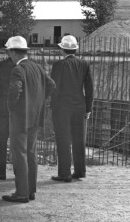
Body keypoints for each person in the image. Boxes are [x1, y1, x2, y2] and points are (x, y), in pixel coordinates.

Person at [2, 36, 55, 203]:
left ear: (12, 52)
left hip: (20, 119)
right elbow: (51, 85)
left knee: (20, 155)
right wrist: (38, 102)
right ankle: (31, 191)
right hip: (34, 118)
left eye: (9, 52)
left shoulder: (18, 70)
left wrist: (12, 108)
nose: (9, 55)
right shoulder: (37, 67)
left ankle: (22, 193)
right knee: (31, 153)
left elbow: (14, 91)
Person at [50, 35, 94, 182]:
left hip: (62, 108)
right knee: (79, 140)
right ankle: (80, 171)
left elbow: (54, 89)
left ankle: (64, 173)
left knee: (63, 140)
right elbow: (89, 89)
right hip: (79, 106)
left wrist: (53, 107)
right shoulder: (84, 64)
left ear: (62, 49)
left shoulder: (58, 65)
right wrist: (88, 108)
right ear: (75, 49)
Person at [0, 56, 14, 180]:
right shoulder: (27, 65)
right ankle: (19, 172)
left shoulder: (1, 66)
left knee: (3, 141)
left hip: (3, 107)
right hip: (19, 109)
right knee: (20, 142)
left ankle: (1, 171)